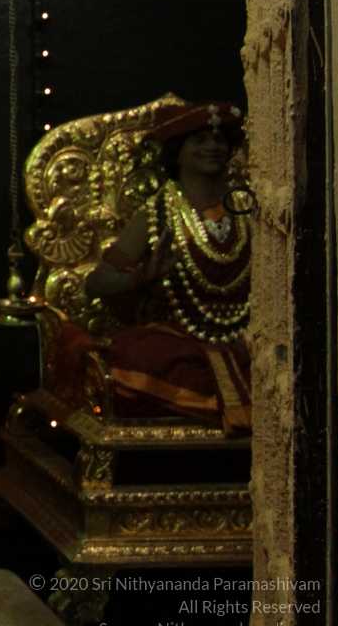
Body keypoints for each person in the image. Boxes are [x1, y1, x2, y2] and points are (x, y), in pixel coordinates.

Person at [80, 102, 251, 432]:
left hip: (246, 339)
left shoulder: (247, 206)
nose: (212, 146)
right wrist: (142, 277)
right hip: (181, 342)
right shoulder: (157, 212)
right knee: (136, 360)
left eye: (219, 139)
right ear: (177, 153)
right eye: (199, 140)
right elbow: (96, 283)